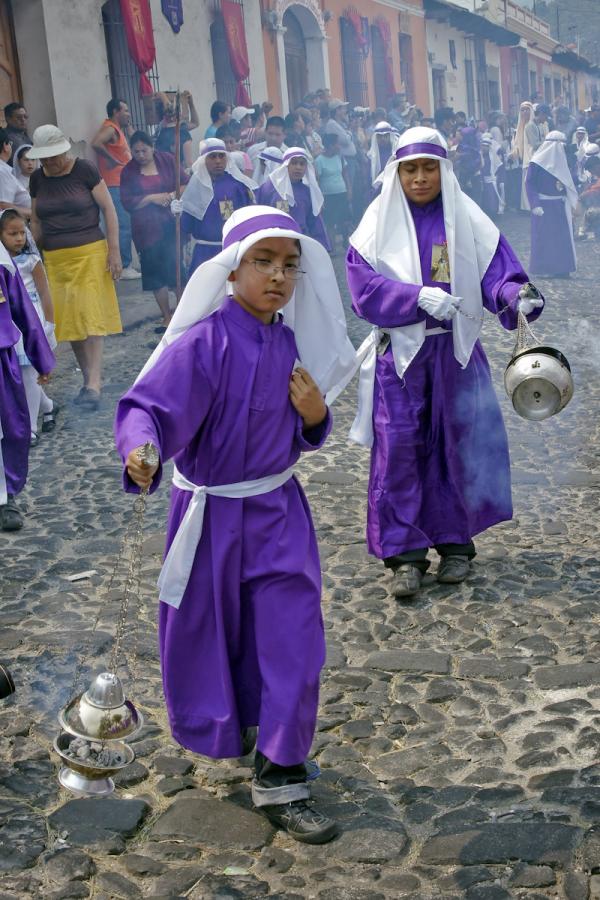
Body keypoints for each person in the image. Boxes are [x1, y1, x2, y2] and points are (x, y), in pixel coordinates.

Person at [114, 204, 356, 843]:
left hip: (278, 514)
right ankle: (242, 728)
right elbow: (147, 409)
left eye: (289, 266)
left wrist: (312, 416)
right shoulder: (202, 343)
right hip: (213, 519)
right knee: (218, 636)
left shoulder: (289, 342)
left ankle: (283, 772)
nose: (277, 277)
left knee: (293, 640)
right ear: (230, 270)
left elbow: (306, 433)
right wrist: (141, 451)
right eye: (263, 262)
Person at [346, 127, 544, 598]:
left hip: (455, 353)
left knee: (459, 446)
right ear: (397, 172)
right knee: (400, 451)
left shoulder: (466, 216)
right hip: (402, 358)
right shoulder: (376, 222)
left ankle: (456, 543)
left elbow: (499, 274)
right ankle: (405, 556)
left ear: (443, 169)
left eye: (429, 168)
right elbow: (363, 288)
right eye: (410, 169)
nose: (419, 178)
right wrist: (415, 298)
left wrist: (517, 296)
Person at [28, 124, 122, 410]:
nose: (49, 163)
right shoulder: (37, 179)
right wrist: (30, 255)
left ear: (64, 150)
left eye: (53, 157)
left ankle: (94, 382)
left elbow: (108, 208)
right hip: (55, 259)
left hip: (90, 253)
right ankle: (87, 380)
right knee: (70, 323)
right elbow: (36, 221)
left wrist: (114, 250)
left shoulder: (85, 170)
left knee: (90, 316)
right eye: (44, 159)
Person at [0, 238, 54, 530]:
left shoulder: (2, 265)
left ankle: (4, 497)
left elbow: (22, 310)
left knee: (7, 427)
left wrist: (41, 358)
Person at [120, 131, 189, 327]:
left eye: (144, 150)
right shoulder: (128, 171)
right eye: (136, 151)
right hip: (146, 230)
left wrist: (172, 194)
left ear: (152, 148)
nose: (140, 155)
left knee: (177, 270)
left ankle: (183, 312)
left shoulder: (167, 160)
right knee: (156, 275)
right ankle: (166, 315)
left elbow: (184, 182)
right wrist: (151, 198)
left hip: (170, 224)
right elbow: (127, 202)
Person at [0, 209, 57, 446]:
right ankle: (49, 406)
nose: (19, 238)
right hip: (8, 321)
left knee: (30, 374)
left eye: (22, 233)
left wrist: (50, 323)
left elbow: (44, 292)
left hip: (30, 319)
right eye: (12, 234)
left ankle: (31, 427)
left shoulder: (30, 261)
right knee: (22, 376)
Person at [176, 139, 255, 275]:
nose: (218, 161)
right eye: (212, 157)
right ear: (203, 160)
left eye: (221, 156)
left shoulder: (238, 186)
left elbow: (248, 219)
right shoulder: (195, 186)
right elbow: (186, 226)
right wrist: (178, 212)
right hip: (204, 253)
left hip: (231, 251)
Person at [91, 99, 139, 280]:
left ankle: (126, 264)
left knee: (126, 223)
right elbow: (96, 143)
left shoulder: (118, 129)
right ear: (115, 111)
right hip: (114, 185)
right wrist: (110, 159)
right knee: (123, 225)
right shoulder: (110, 127)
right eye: (125, 111)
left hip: (121, 184)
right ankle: (124, 266)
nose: (128, 114)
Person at [255, 148, 330, 250]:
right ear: (286, 165)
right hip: (273, 243)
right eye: (294, 163)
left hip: (301, 243)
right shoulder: (268, 188)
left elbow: (314, 221)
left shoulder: (307, 192)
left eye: (302, 164)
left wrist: (321, 246)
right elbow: (259, 216)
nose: (298, 167)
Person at [526, 130, 578, 278]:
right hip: (543, 206)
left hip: (560, 205)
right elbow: (530, 183)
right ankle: (544, 268)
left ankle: (562, 268)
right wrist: (535, 204)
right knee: (544, 238)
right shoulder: (536, 163)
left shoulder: (564, 161)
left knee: (561, 238)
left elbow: (569, 179)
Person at [314, 134, 350, 251]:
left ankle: (346, 242)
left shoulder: (340, 157)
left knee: (344, 220)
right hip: (327, 196)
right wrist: (319, 198)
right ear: (330, 145)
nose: (339, 146)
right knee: (330, 222)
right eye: (337, 144)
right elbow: (317, 181)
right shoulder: (319, 160)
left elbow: (345, 174)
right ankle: (332, 247)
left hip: (341, 192)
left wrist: (349, 190)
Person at [154, 92, 199, 170]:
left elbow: (195, 123)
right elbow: (189, 164)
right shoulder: (181, 132)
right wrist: (163, 96)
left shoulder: (162, 129)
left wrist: (191, 104)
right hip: (177, 174)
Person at [0, 128, 31, 218]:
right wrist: (34, 214)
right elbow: (4, 206)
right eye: (10, 144)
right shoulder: (2, 171)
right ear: (5, 146)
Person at [454, 126, 482, 204]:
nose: (461, 136)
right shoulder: (475, 145)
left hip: (467, 177)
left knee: (469, 201)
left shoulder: (465, 147)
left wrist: (459, 158)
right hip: (473, 177)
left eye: (463, 135)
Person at [367, 122, 399, 187]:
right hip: (378, 187)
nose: (382, 139)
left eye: (385, 136)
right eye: (380, 136)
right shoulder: (371, 155)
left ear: (390, 136)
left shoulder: (396, 152)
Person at [480, 132, 502, 218]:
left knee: (492, 199)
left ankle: (493, 214)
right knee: (485, 199)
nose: (484, 148)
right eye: (483, 146)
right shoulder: (480, 155)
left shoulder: (492, 156)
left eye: (486, 146)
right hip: (482, 180)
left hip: (491, 180)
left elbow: (498, 166)